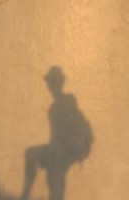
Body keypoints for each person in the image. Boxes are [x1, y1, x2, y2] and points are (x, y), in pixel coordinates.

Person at [20, 67, 92, 200]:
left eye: (51, 82)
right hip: (59, 152)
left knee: (55, 183)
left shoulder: (65, 103)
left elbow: (65, 131)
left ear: (57, 83)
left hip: (64, 152)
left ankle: (25, 194)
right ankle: (25, 194)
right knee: (34, 157)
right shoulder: (57, 106)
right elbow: (57, 134)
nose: (49, 86)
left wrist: (58, 151)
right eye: (49, 82)